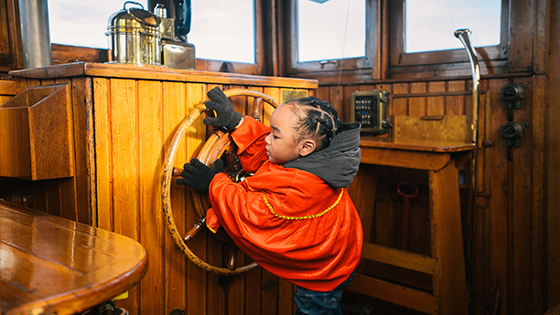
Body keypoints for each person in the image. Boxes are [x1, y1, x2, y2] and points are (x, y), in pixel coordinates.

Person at [177, 87, 363, 315]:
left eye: (275, 134)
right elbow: (270, 154)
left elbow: (250, 213)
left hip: (323, 272)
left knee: (317, 310)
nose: (267, 138)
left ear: (306, 147)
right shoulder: (317, 158)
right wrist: (236, 122)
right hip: (340, 254)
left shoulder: (301, 185)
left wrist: (213, 183)